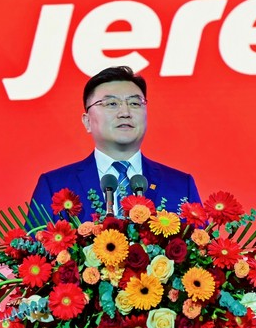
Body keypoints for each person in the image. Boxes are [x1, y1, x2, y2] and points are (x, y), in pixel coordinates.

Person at [30, 66, 200, 221]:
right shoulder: (54, 185)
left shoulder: (181, 185)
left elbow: (201, 243)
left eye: (134, 103)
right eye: (112, 104)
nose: (125, 112)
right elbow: (35, 243)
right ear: (87, 121)